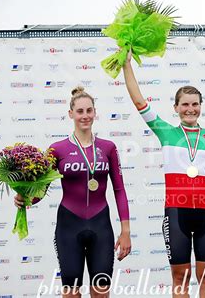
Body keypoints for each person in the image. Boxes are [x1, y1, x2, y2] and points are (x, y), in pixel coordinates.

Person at [123, 52, 205, 298]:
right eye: (185, 104)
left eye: (195, 104)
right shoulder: (166, 132)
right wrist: (126, 65)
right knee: (180, 279)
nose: (190, 109)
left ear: (200, 107)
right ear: (176, 108)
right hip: (176, 214)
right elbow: (139, 101)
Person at [14, 87, 131, 298]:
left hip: (100, 226)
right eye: (80, 111)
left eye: (89, 110)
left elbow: (119, 190)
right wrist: (26, 198)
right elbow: (41, 191)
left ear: (95, 112)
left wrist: (126, 231)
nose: (85, 116)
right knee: (70, 293)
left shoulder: (108, 148)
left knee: (101, 292)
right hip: (69, 226)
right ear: (71, 114)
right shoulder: (57, 149)